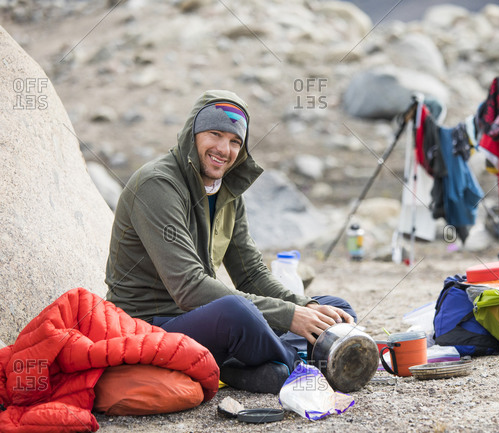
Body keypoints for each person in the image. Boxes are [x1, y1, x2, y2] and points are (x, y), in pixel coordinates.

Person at [105, 90, 356, 393]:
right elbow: (190, 288)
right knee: (237, 314)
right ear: (192, 134)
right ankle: (310, 362)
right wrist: (288, 315)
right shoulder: (157, 185)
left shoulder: (224, 192)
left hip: (197, 319)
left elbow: (251, 275)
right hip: (149, 324)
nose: (224, 149)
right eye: (215, 134)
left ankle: (267, 365)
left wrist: (305, 306)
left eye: (235, 141)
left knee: (334, 309)